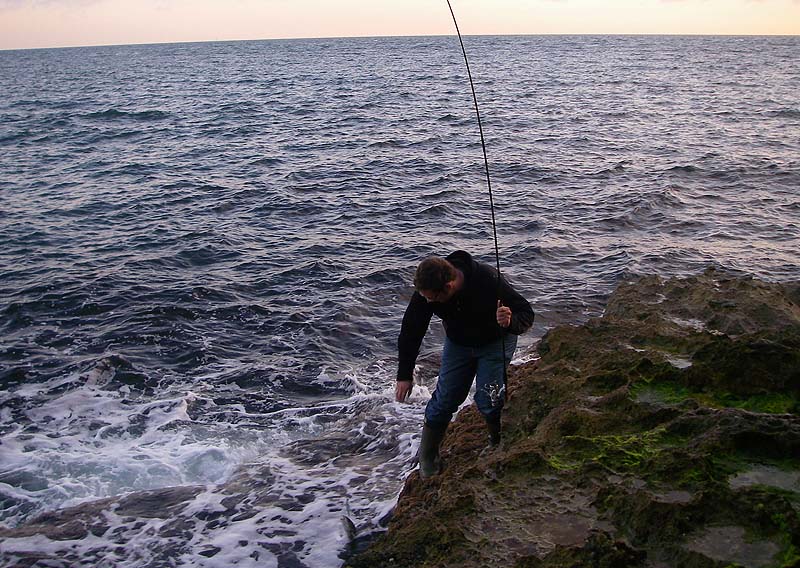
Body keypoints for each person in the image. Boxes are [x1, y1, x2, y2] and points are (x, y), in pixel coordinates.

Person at [396, 250, 534, 478]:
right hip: (459, 342)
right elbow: (412, 330)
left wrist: (510, 321)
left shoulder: (488, 280)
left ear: (449, 287)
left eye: (433, 298)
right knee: (445, 398)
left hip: (495, 340)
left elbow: (526, 313)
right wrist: (404, 374)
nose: (428, 302)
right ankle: (428, 456)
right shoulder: (427, 289)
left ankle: (496, 440)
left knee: (489, 397)